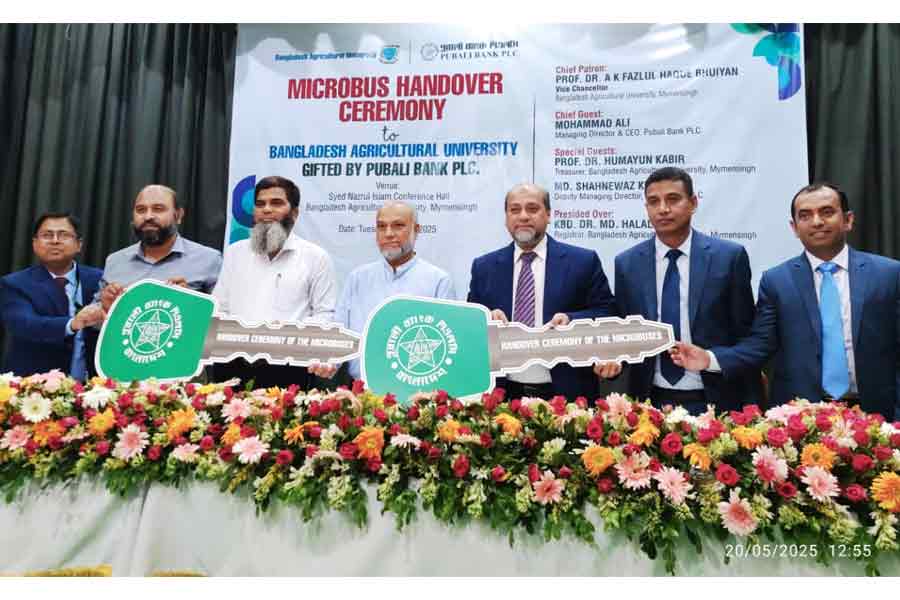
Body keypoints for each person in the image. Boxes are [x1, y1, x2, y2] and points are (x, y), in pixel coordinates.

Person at [671, 182, 900, 420]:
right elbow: (760, 345)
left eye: (827, 212)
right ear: (794, 227)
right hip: (800, 418)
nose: (817, 222)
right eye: (805, 215)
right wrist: (709, 359)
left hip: (876, 415)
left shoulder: (889, 275)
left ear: (848, 220)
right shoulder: (777, 281)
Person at [601, 167, 761, 414]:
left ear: (693, 203)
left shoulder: (728, 258)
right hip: (649, 402)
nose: (663, 209)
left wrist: (711, 360)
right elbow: (625, 329)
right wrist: (614, 356)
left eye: (673, 199)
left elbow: (747, 337)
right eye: (654, 201)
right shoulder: (627, 263)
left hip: (716, 400)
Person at [467, 182, 616, 400]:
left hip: (567, 395)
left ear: (548, 214)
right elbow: (469, 324)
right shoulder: (484, 267)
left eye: (532, 209)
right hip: (500, 395)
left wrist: (571, 320)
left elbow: (608, 313)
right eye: (515, 210)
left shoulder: (582, 262)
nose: (523, 216)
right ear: (506, 217)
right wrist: (486, 317)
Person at [212, 175, 337, 389]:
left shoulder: (315, 257)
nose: (267, 210)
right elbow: (220, 308)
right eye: (260, 204)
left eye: (276, 203)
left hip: (288, 368)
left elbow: (324, 313)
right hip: (232, 364)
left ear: (294, 213)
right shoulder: (235, 253)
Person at [309, 201, 456, 383]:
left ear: (416, 230)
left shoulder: (438, 281)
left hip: (419, 391)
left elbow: (447, 344)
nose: (388, 234)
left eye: (398, 226)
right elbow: (339, 334)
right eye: (381, 226)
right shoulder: (358, 278)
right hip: (361, 391)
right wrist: (329, 362)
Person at [0, 212, 105, 378]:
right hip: (34, 385)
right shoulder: (14, 284)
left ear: (79, 244)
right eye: (47, 235)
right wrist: (73, 323)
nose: (55, 240)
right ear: (35, 244)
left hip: (95, 385)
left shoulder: (99, 279)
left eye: (64, 235)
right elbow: (25, 324)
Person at [98, 184, 222, 311]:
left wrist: (189, 302)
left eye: (158, 209)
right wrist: (104, 308)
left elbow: (222, 315)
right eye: (141, 210)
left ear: (178, 215)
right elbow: (95, 314)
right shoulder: (115, 261)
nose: (148, 216)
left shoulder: (209, 259)